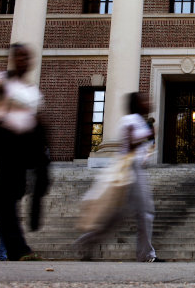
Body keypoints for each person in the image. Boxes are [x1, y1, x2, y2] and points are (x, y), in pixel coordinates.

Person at [0, 43, 45, 261]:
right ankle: (18, 249)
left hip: (21, 148)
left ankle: (17, 248)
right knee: (3, 195)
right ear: (12, 58)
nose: (23, 61)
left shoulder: (31, 92)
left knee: (1, 197)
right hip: (2, 143)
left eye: (27, 57)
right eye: (19, 57)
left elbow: (36, 123)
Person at [76, 92, 164, 262]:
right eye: (144, 100)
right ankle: (146, 255)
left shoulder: (140, 121)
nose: (149, 102)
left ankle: (86, 242)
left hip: (135, 169)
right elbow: (130, 144)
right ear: (136, 105)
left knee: (118, 216)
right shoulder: (129, 120)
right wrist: (147, 134)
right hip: (129, 170)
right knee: (144, 212)